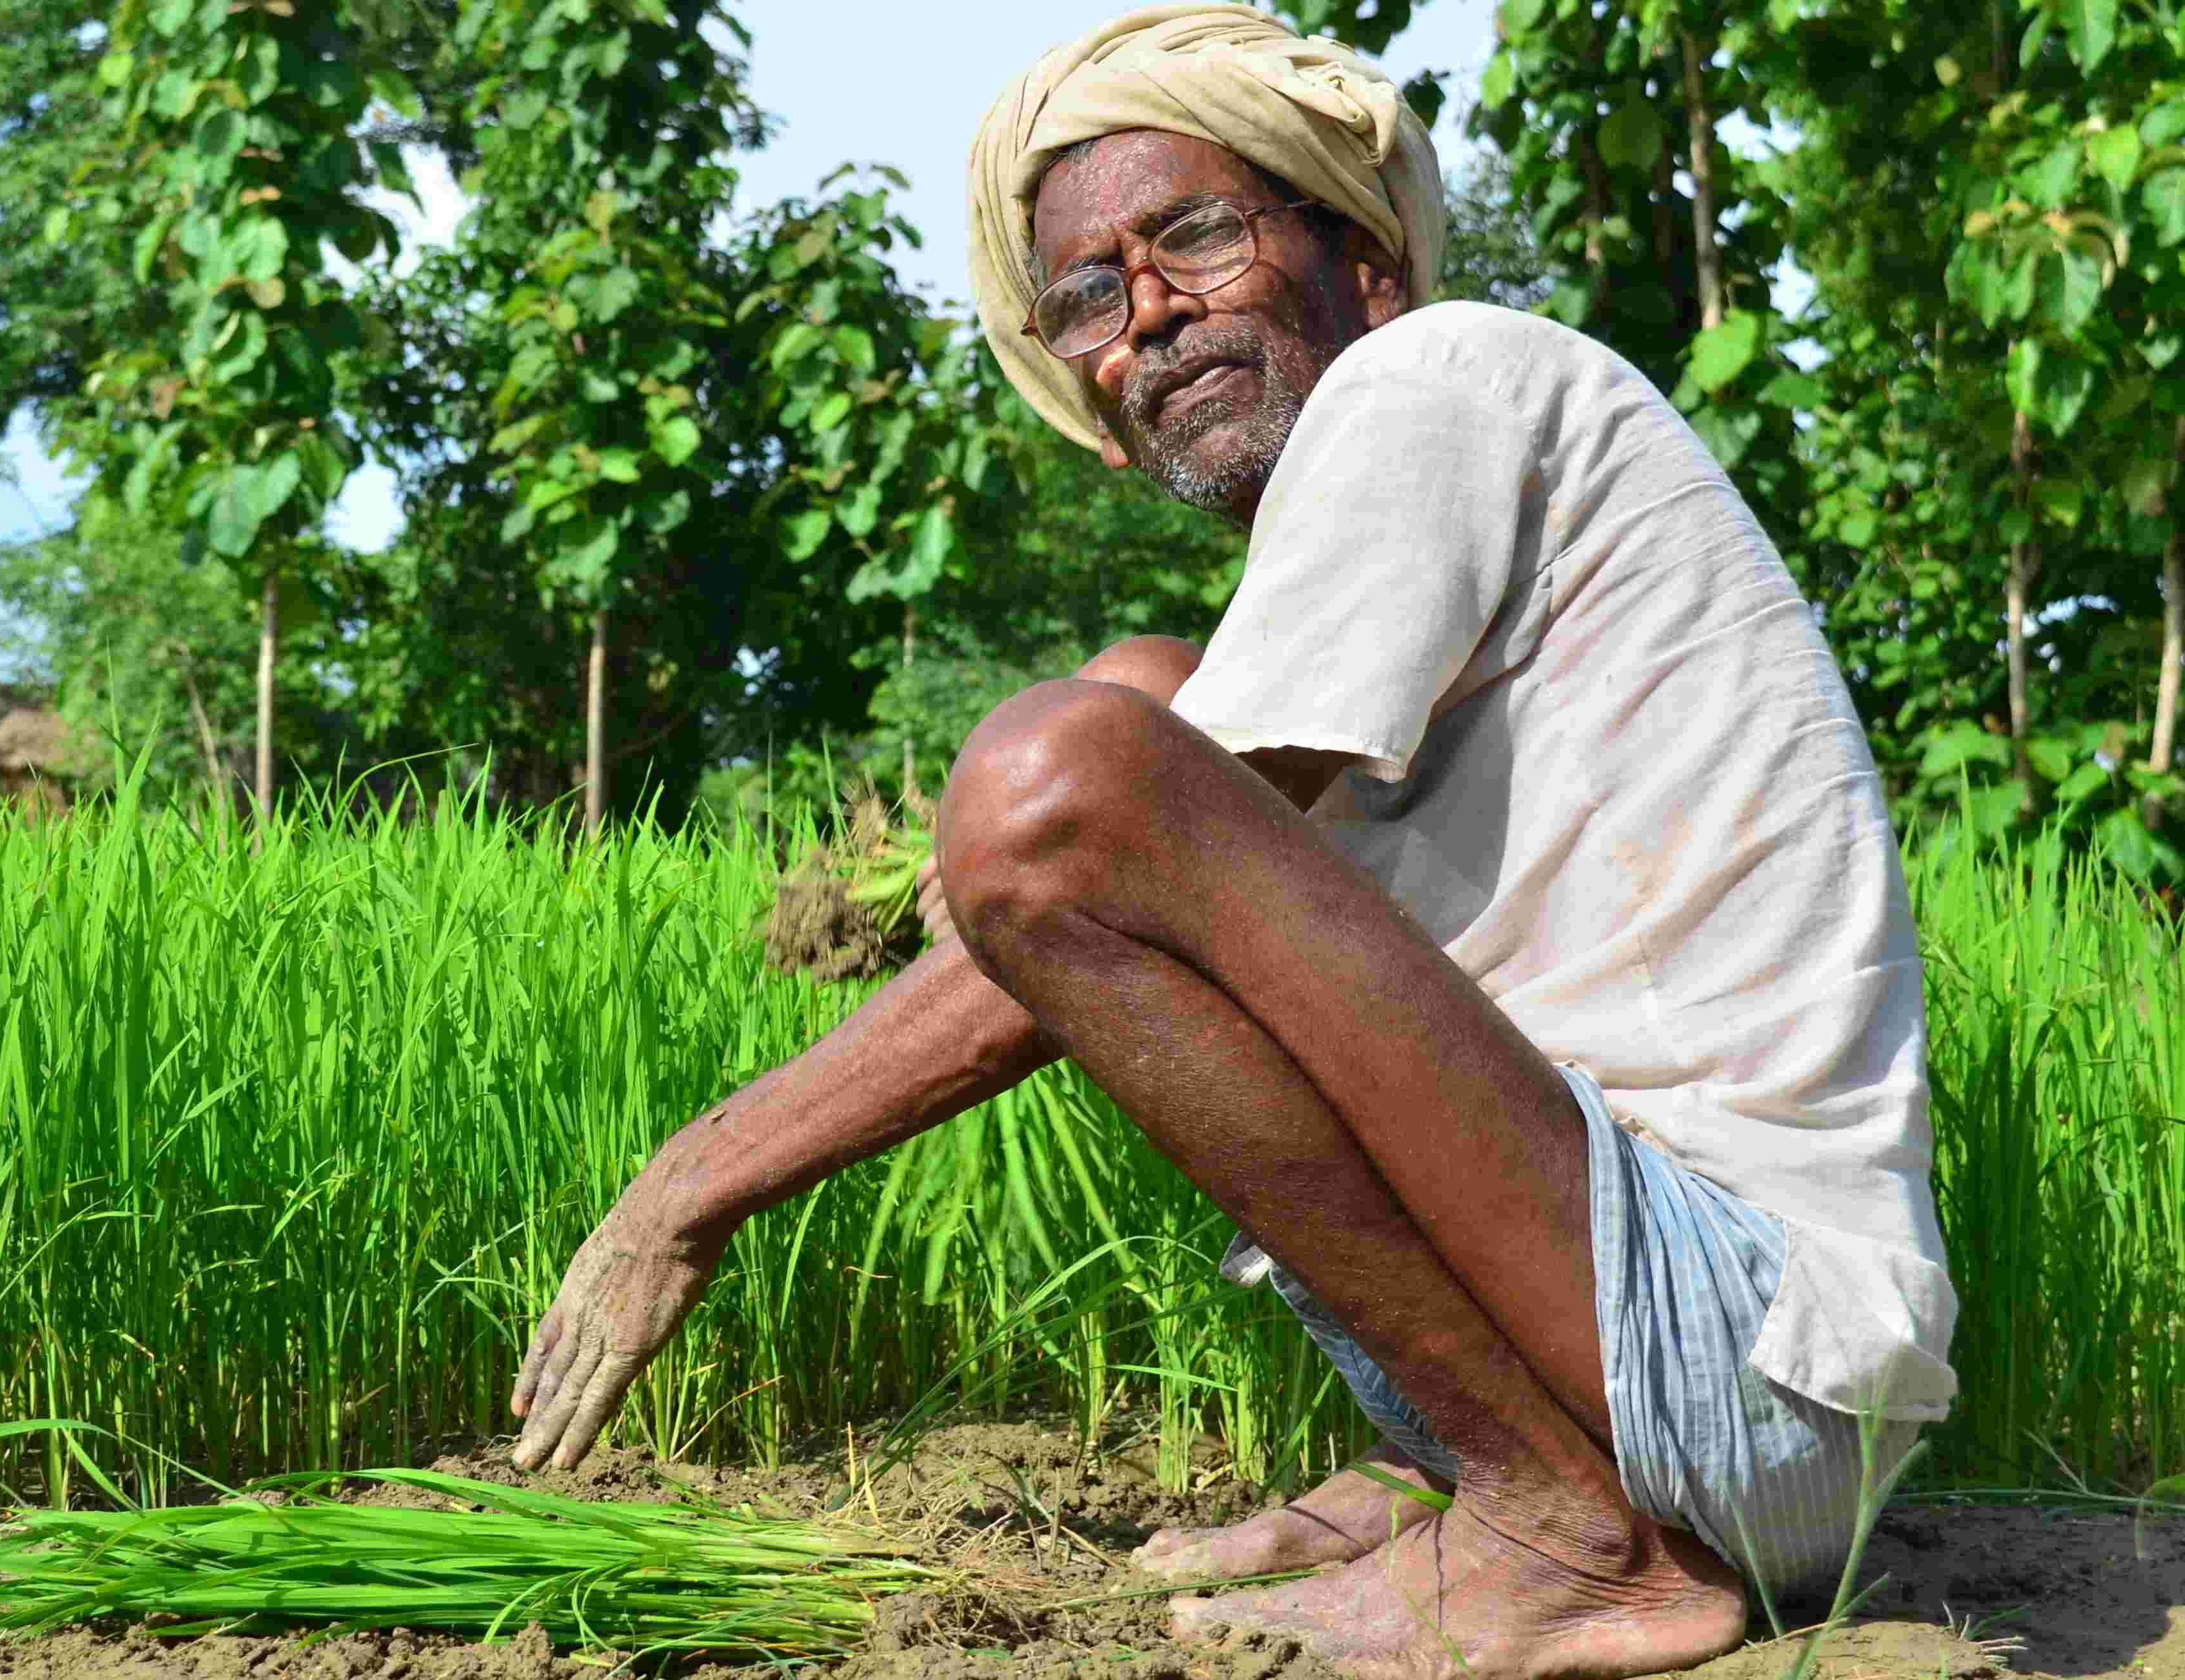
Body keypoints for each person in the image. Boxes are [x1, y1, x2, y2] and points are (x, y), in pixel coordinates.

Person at [502, 6, 1958, 1677]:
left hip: (1746, 1353)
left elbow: (1070, 830)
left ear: (1366, 264)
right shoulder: (1367, 546)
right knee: (1135, 699)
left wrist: (692, 1186)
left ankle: (1562, 1525)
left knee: (1069, 771)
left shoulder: (1440, 374)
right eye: (1090, 297)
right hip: (1651, 1355)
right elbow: (1167, 792)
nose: (1151, 315)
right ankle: (1465, 1467)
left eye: (1194, 235)